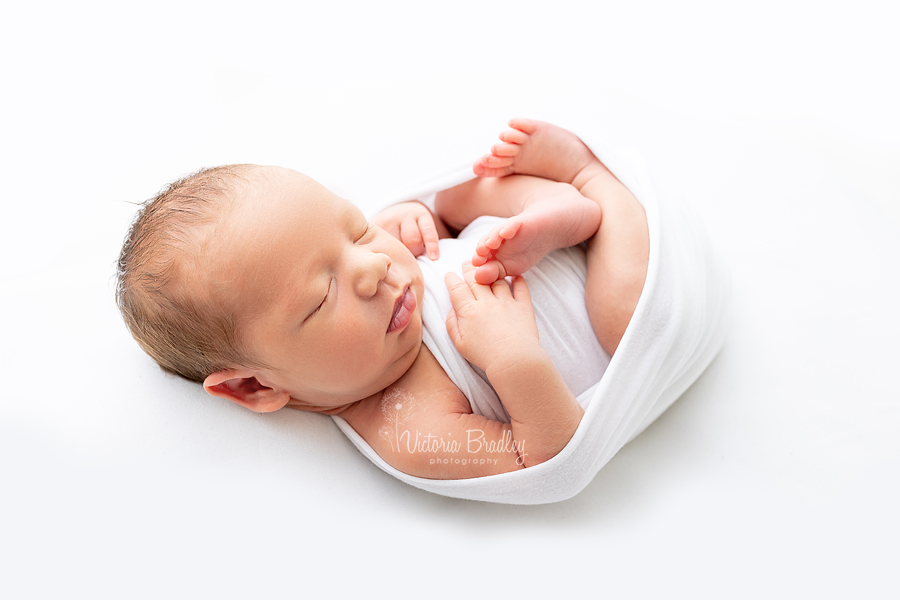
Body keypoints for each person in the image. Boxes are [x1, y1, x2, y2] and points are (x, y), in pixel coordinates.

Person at [116, 119, 649, 479]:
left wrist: (417, 222)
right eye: (323, 296)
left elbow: (417, 233)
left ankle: (551, 206)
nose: (374, 268)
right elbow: (552, 458)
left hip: (504, 245)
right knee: (624, 316)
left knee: (450, 198)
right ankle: (590, 181)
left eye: (355, 231)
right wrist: (513, 359)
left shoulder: (384, 275)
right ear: (254, 385)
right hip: (602, 306)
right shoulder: (407, 426)